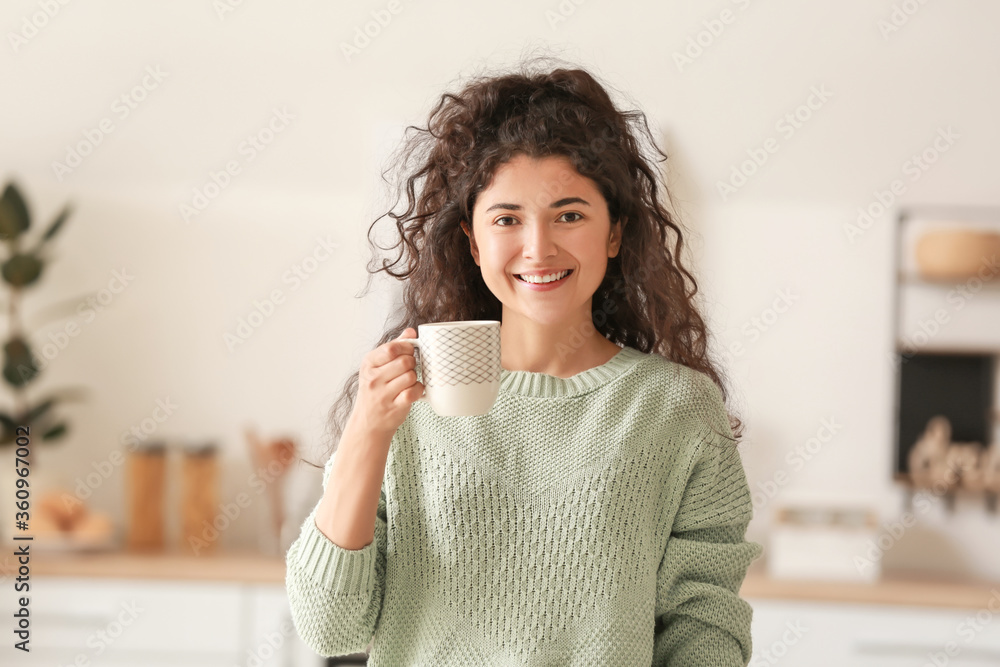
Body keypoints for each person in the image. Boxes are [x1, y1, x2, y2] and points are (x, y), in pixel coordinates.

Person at [285, 55, 763, 666]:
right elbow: (331, 630)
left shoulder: (675, 409)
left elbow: (705, 627)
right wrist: (367, 432)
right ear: (472, 238)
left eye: (569, 214)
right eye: (507, 218)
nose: (539, 248)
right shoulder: (402, 401)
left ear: (615, 232)